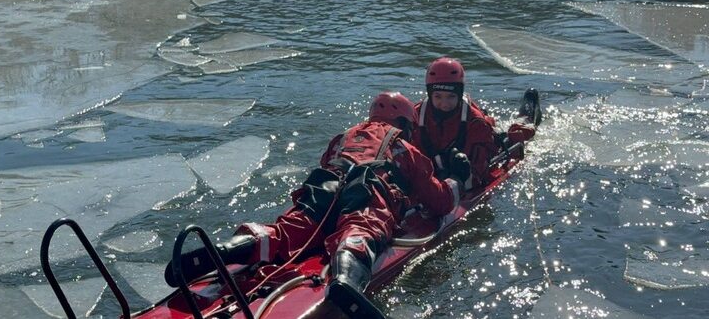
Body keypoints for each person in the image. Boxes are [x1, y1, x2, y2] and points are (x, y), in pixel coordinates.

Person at [165, 91, 465, 318]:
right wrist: (457, 179)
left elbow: (330, 164)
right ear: (404, 123)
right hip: (368, 190)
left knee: (291, 228)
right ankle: (346, 281)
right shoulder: (404, 145)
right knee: (361, 229)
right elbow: (439, 201)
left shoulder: (344, 137)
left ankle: (226, 251)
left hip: (325, 184)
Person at [413, 57, 541, 189]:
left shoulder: (477, 123)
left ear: (459, 94)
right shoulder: (414, 116)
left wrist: (461, 175)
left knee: (517, 135)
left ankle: (529, 109)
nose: (445, 104)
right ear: (429, 94)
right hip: (438, 164)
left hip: (472, 153)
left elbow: (478, 175)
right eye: (438, 96)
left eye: (451, 96)